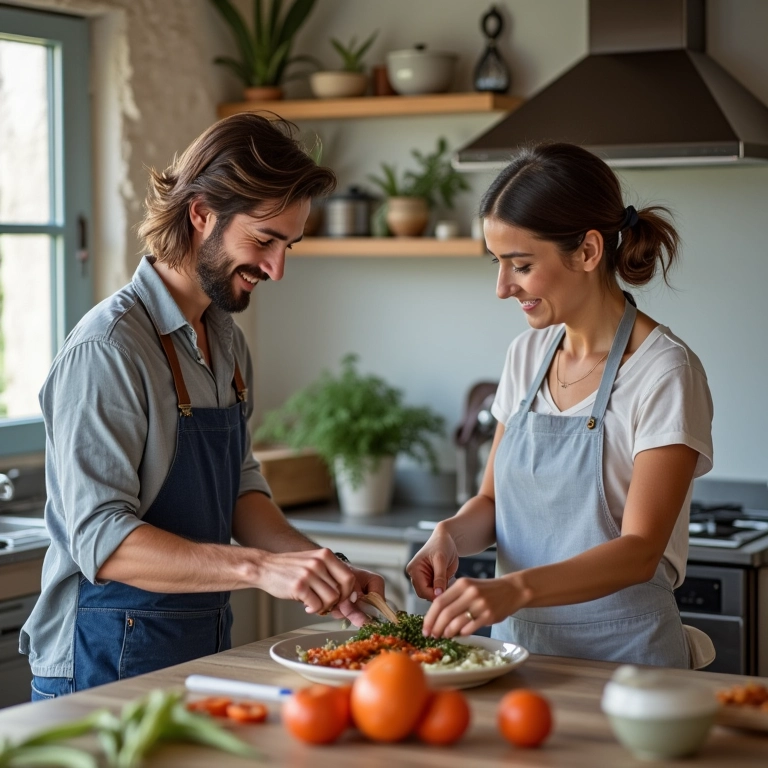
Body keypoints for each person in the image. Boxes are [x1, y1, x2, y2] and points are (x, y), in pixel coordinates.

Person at [21, 114, 385, 699]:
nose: (276, 268)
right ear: (201, 214)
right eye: (264, 240)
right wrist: (263, 571)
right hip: (96, 668)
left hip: (195, 655)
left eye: (288, 245)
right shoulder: (109, 349)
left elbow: (241, 490)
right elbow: (102, 539)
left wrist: (319, 565)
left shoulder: (227, 340)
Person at [407, 143, 714, 668]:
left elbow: (641, 549)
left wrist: (513, 590)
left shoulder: (664, 371)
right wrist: (449, 535)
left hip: (630, 667)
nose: (502, 287)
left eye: (520, 264)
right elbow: (492, 502)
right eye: (498, 263)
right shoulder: (526, 355)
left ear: (589, 251)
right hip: (519, 657)